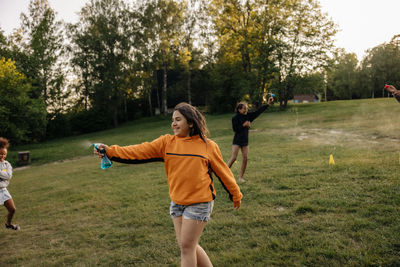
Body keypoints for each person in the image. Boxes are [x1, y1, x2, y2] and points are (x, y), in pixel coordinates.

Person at [94, 102, 242, 267]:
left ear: (191, 122)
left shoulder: (208, 146)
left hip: (200, 202)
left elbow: (224, 172)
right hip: (177, 203)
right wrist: (110, 151)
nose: (173, 123)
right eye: (173, 120)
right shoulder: (166, 143)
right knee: (188, 246)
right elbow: (139, 151)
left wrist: (235, 194)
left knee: (187, 247)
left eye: (178, 120)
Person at [227, 99, 272, 183]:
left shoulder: (248, 116)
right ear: (239, 109)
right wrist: (244, 125)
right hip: (237, 140)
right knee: (233, 158)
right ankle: (224, 174)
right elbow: (235, 129)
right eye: (244, 108)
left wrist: (267, 104)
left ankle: (241, 177)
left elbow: (258, 112)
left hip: (245, 140)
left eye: (247, 108)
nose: (246, 110)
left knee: (245, 158)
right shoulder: (235, 118)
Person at [0, 137, 19, 230]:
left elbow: (8, 176)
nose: (2, 156)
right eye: (0, 153)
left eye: (4, 154)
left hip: (3, 190)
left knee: (12, 209)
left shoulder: (7, 164)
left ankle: (8, 224)